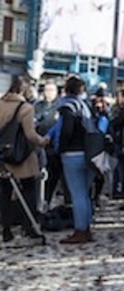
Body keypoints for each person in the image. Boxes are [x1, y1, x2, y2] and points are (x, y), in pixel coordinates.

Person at [1, 75, 49, 241]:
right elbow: (30, 135)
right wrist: (42, 141)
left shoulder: (0, 103)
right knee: (29, 190)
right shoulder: (26, 108)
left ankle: (6, 229)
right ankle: (28, 226)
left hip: (3, 156)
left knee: (4, 193)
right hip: (22, 156)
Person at [57, 75, 97, 244]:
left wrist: (61, 148)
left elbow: (66, 131)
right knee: (85, 194)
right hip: (90, 153)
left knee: (77, 194)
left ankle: (80, 230)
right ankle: (86, 228)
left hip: (72, 153)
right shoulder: (86, 106)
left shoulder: (68, 106)